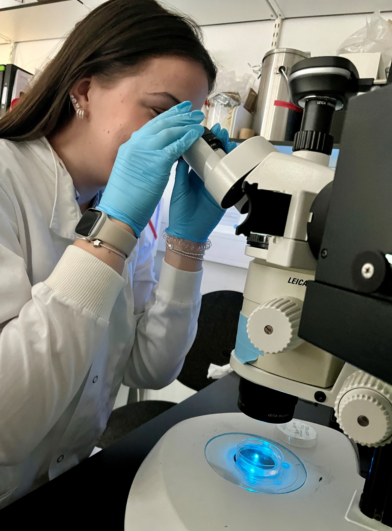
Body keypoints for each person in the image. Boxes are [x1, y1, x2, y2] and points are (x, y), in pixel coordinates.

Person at [0, 0, 228, 509]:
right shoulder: (6, 179)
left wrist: (185, 248)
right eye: (159, 110)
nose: (174, 141)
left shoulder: (131, 208)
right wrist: (110, 235)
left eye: (188, 121)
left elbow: (149, 367)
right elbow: (4, 424)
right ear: (83, 90)